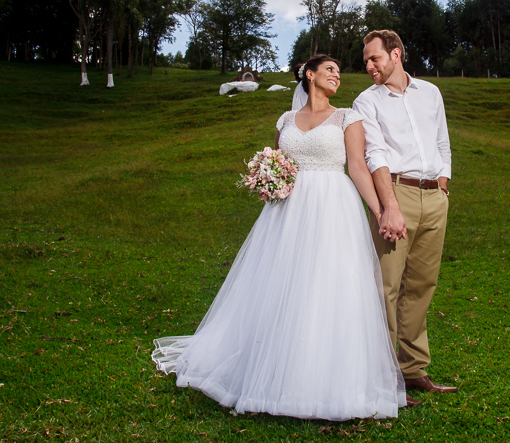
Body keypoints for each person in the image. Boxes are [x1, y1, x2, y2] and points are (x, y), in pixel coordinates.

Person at [152, 54, 408, 421]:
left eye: (339, 71)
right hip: (285, 212)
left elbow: (356, 167)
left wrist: (381, 211)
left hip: (332, 208)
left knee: (325, 286)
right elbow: (277, 159)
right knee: (281, 282)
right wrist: (266, 177)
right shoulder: (286, 120)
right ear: (309, 74)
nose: (337, 75)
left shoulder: (348, 118)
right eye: (330, 70)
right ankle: (267, 366)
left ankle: (321, 379)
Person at [351, 30, 458, 397]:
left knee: (421, 285)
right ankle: (382, 378)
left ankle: (413, 370)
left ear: (395, 55)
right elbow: (374, 154)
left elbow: (442, 140)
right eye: (366, 60)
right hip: (395, 194)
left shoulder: (430, 92)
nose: (369, 66)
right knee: (386, 287)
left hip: (434, 196)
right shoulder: (366, 102)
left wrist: (443, 182)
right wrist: (389, 208)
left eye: (374, 58)